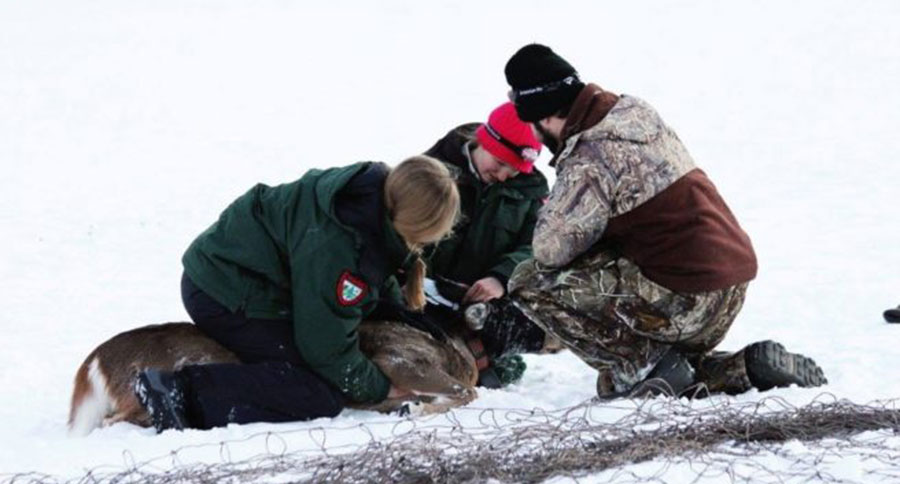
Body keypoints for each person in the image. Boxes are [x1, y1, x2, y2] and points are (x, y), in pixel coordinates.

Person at [501, 43, 827, 398]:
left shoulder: (587, 156)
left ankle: (642, 371)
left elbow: (549, 250)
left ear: (544, 117)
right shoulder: (633, 111)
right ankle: (743, 368)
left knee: (529, 281)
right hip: (729, 283)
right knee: (662, 353)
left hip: (686, 297)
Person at [134, 156, 460, 432]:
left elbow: (375, 266)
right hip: (222, 288)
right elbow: (325, 348)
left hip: (245, 273)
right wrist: (382, 387)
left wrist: (393, 308)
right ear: (416, 225)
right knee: (318, 392)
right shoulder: (339, 245)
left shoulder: (370, 200)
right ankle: (177, 392)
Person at [420, 102, 553, 387]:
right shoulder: (429, 171)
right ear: (484, 142)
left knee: (503, 368)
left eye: (516, 170)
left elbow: (538, 246)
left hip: (485, 304)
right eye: (501, 163)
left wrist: (500, 277)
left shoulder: (533, 193)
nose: (505, 175)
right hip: (426, 295)